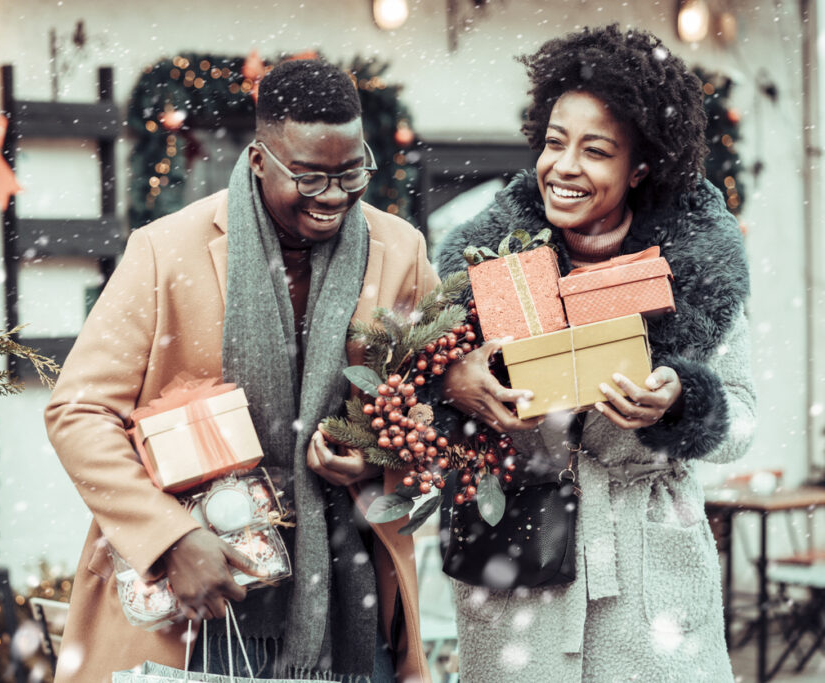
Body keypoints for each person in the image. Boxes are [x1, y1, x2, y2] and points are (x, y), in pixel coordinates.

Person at [44, 58, 435, 682]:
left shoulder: (402, 251)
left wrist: (377, 460)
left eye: (350, 171)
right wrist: (171, 539)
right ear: (260, 159)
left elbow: (432, 404)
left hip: (350, 593)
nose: (334, 196)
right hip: (196, 601)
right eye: (309, 177)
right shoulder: (163, 250)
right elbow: (79, 412)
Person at [433, 25, 755, 682]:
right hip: (516, 569)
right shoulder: (480, 265)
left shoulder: (699, 272)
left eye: (596, 150)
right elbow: (403, 398)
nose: (564, 166)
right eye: (554, 142)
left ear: (640, 166)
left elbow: (742, 420)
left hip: (651, 582)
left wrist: (681, 399)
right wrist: (452, 379)